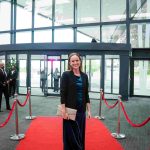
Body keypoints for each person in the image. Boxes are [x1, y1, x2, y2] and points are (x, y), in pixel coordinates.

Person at [60, 53, 91, 150]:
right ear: (69, 63)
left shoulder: (85, 76)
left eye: (77, 60)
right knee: (70, 136)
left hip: (81, 111)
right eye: (73, 61)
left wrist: (89, 110)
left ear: (80, 61)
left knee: (80, 134)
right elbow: (63, 94)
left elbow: (86, 94)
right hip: (70, 111)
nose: (75, 63)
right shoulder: (66, 75)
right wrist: (63, 111)